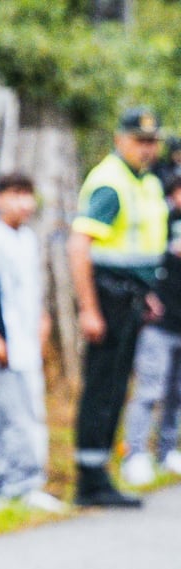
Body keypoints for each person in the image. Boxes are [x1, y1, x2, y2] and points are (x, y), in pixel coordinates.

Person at [69, 107, 168, 507]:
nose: (147, 149)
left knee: (115, 387)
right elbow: (79, 247)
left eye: (151, 141)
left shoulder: (143, 182)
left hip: (130, 296)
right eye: (139, 141)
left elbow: (138, 247)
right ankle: (90, 479)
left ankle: (100, 473)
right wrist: (88, 309)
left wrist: (147, 292)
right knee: (103, 386)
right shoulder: (111, 183)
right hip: (107, 296)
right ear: (119, 140)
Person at [0, 174, 65, 511]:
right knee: (14, 415)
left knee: (24, 411)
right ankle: (16, 481)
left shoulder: (26, 238)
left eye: (28, 194)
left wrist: (42, 321)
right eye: (16, 194)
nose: (24, 202)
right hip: (6, 346)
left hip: (26, 343)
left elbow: (30, 291)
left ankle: (16, 480)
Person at [121, 173, 181, 486]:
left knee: (177, 393)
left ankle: (168, 450)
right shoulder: (157, 221)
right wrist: (146, 296)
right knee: (149, 390)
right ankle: (135, 454)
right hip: (158, 322)